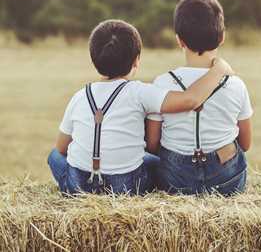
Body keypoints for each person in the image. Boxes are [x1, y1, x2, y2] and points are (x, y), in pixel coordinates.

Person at [47, 19, 234, 196]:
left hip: (78, 185)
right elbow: (190, 100)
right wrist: (219, 69)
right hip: (127, 185)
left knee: (54, 156)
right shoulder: (140, 92)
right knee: (156, 162)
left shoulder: (79, 96)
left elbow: (61, 148)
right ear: (136, 60)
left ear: (94, 60)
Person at [146, 0, 253, 196]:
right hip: (227, 180)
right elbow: (246, 144)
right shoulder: (236, 85)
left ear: (179, 40)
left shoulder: (162, 83)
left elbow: (152, 144)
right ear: (222, 37)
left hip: (175, 180)